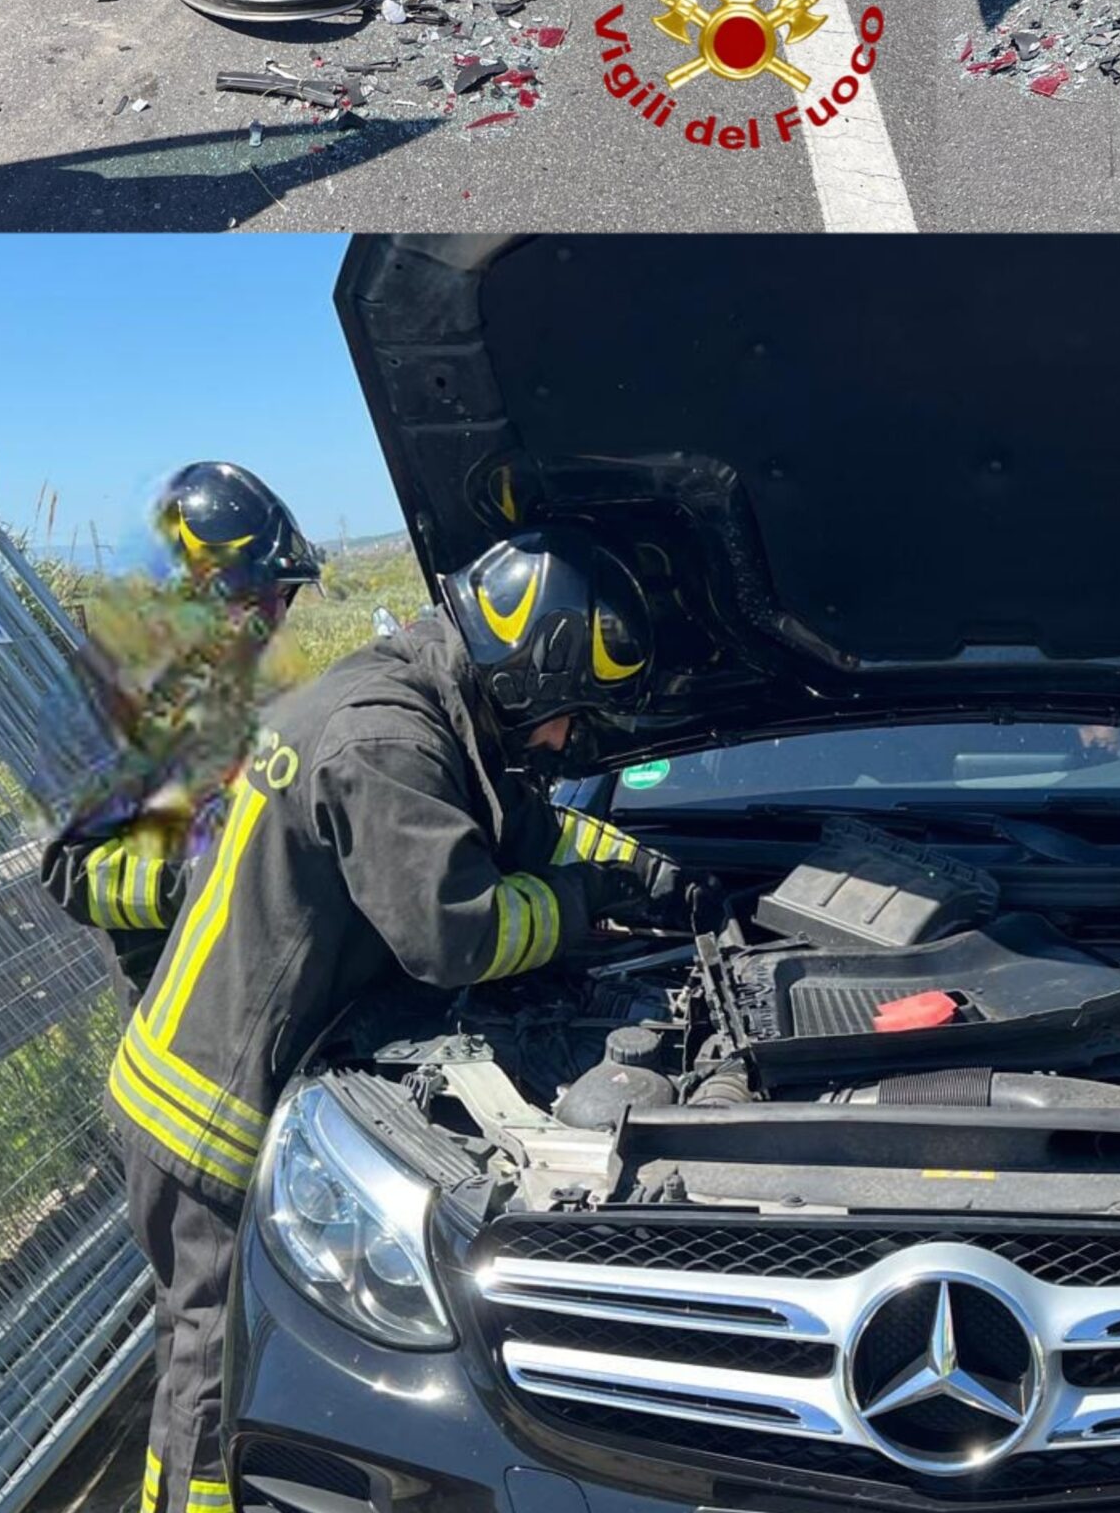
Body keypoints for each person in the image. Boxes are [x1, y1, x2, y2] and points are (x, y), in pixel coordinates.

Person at [111, 528, 698, 1513]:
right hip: (207, 1112)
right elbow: (454, 936)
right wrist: (582, 904)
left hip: (208, 1070)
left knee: (198, 1352)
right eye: (568, 714)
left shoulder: (421, 704)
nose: (565, 741)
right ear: (529, 669)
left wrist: (646, 869)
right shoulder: (388, 740)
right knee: (210, 1383)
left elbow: (527, 826)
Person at [39, 463, 322, 995]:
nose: (273, 621)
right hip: (184, 996)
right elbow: (73, 872)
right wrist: (202, 876)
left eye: (282, 597)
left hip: (274, 974)